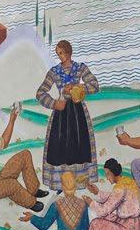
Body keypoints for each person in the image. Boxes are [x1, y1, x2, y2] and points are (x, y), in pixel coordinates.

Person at [36, 39, 99, 191]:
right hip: (61, 112)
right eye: (58, 53)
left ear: (69, 52)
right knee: (59, 147)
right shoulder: (54, 71)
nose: (60, 56)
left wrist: (78, 87)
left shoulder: (80, 68)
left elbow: (95, 86)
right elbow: (40, 93)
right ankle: (61, 184)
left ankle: (79, 183)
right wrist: (54, 103)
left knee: (80, 146)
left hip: (78, 113)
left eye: (62, 53)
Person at [86, 158, 140, 230]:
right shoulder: (128, 181)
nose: (107, 178)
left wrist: (91, 203)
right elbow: (114, 197)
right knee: (108, 217)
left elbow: (104, 210)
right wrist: (97, 192)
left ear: (114, 172)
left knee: (95, 224)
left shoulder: (120, 188)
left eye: (108, 174)